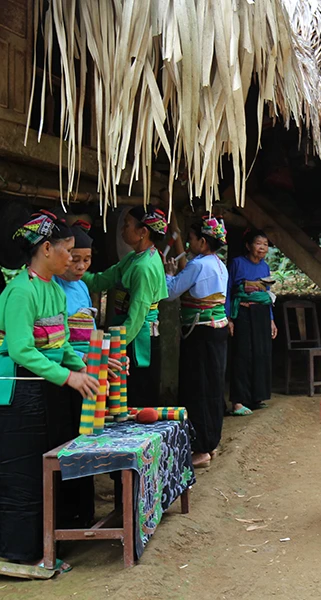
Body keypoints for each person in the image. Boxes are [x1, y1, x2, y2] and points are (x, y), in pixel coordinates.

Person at [0, 210, 100, 563]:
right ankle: (20, 552)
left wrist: (85, 367)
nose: (73, 258)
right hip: (19, 394)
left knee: (48, 471)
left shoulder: (54, 291)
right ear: (45, 249)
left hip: (47, 392)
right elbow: (22, 350)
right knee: (24, 475)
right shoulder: (20, 292)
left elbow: (62, 344)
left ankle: (46, 545)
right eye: (68, 251)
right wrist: (69, 377)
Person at [82, 206, 168, 407]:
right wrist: (72, 271)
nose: (122, 230)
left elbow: (137, 315)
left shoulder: (143, 267)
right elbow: (101, 281)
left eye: (127, 225)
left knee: (136, 398)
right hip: (128, 334)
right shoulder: (134, 258)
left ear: (143, 232)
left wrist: (114, 346)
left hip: (137, 338)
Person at [164, 214, 229, 468]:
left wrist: (168, 273)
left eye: (191, 239)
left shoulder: (197, 265)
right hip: (215, 331)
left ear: (203, 242)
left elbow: (170, 293)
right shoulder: (219, 264)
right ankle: (210, 443)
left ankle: (200, 449)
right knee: (212, 388)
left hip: (200, 333)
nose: (188, 244)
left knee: (197, 388)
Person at [226, 229, 277, 416]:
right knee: (242, 355)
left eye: (265, 244)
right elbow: (228, 290)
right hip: (243, 312)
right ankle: (238, 401)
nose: (262, 247)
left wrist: (271, 320)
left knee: (260, 353)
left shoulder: (264, 267)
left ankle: (257, 397)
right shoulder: (237, 263)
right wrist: (229, 317)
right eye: (258, 243)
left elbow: (267, 295)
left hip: (262, 313)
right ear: (248, 245)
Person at [53, 220, 97, 358]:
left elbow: (93, 330)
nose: (81, 267)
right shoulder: (50, 286)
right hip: (64, 360)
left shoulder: (82, 286)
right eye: (75, 259)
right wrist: (79, 356)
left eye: (86, 260)